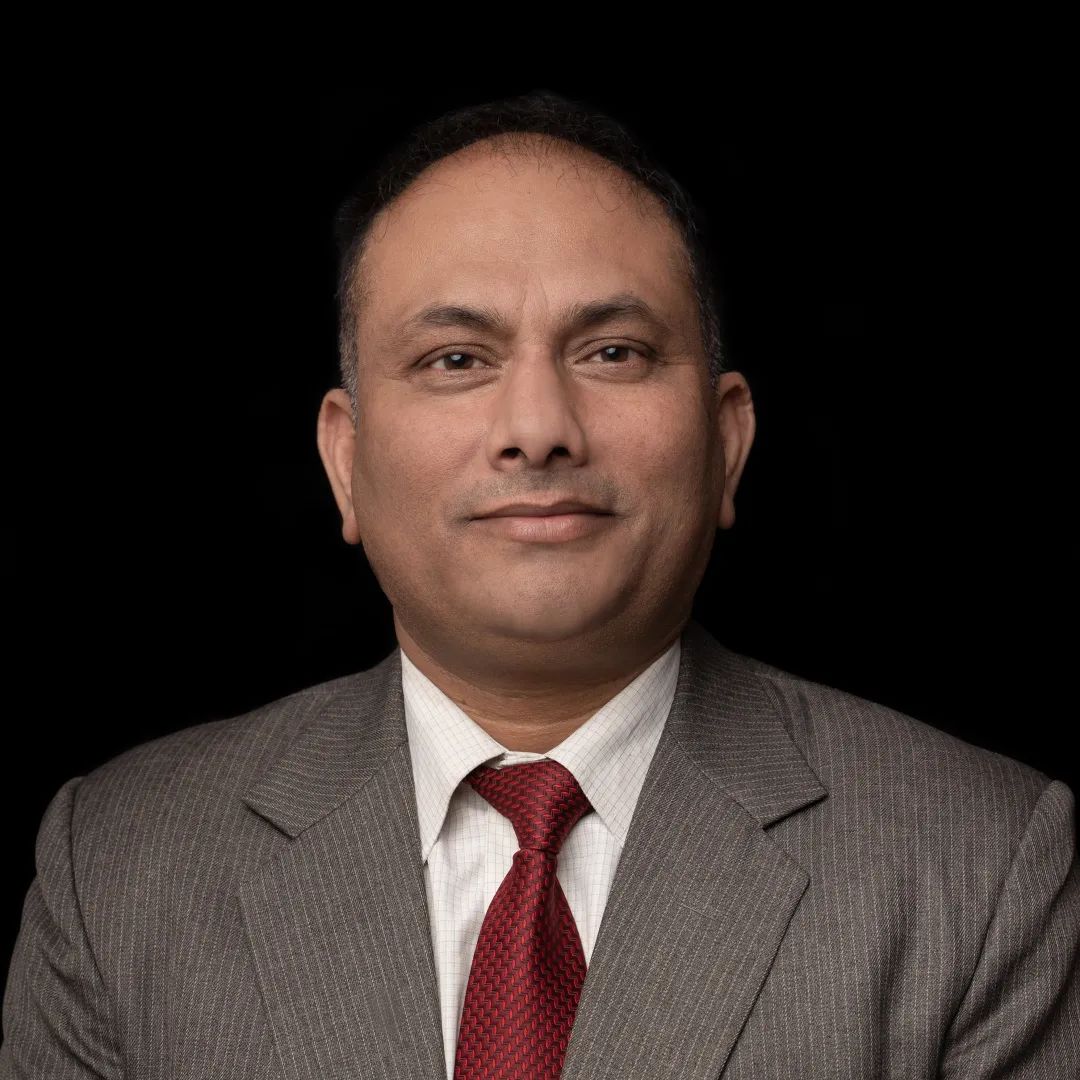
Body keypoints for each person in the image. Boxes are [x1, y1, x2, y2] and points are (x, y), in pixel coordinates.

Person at [2, 90, 1076, 1080]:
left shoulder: (978, 861)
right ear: (345, 460)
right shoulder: (120, 868)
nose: (537, 429)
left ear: (727, 443)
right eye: (456, 360)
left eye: (613, 353)